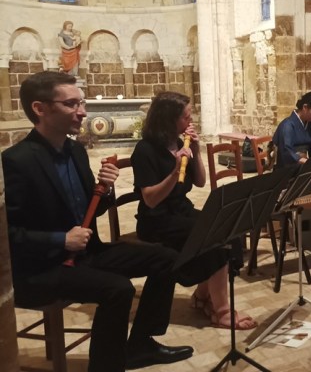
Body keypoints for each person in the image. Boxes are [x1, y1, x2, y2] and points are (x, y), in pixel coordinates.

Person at [2, 71, 193, 371]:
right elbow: (8, 235)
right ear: (40, 109)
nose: (82, 112)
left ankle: (140, 345)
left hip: (87, 253)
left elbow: (92, 210)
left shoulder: (76, 151)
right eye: (71, 104)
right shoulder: (17, 161)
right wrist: (61, 240)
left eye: (82, 103)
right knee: (118, 289)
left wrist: (105, 190)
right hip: (44, 266)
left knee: (168, 259)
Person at [131, 92, 257, 330]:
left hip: (181, 211)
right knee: (214, 240)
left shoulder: (179, 144)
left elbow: (199, 182)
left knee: (226, 229)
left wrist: (196, 151)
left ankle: (202, 296)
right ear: (168, 119)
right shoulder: (145, 150)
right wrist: (174, 170)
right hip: (157, 220)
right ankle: (222, 311)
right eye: (186, 117)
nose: (190, 121)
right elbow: (150, 200)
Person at [273, 91, 311, 168]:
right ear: (305, 107)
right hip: (287, 169)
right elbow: (286, 151)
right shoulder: (287, 125)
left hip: (303, 165)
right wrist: (306, 161)